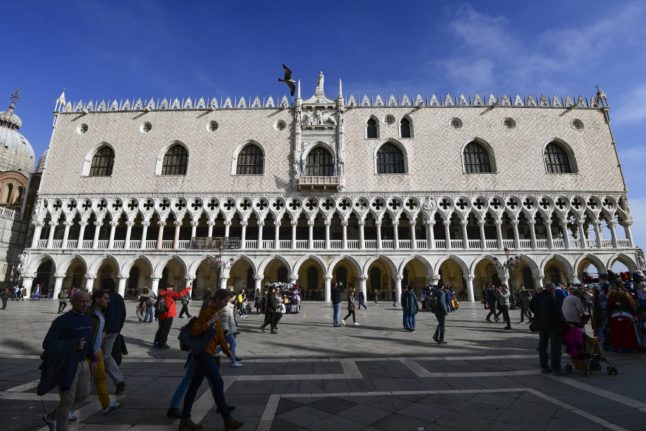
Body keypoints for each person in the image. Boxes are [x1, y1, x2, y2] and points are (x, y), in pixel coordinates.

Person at [179, 289, 243, 431]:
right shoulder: (207, 311)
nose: (226, 303)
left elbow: (219, 334)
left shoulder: (216, 312)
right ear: (218, 299)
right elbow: (196, 330)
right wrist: (210, 322)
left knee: (194, 386)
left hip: (208, 353)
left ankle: (185, 420)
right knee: (217, 383)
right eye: (225, 301)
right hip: (204, 354)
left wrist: (227, 352)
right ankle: (227, 420)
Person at [39, 291, 97, 431]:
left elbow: (88, 341)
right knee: (67, 400)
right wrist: (73, 344)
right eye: (81, 301)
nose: (85, 304)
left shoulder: (87, 319)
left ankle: (51, 416)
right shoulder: (62, 321)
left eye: (87, 301)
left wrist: (93, 359)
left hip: (83, 362)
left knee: (83, 394)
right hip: (67, 364)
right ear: (72, 302)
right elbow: (47, 343)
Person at [88, 289, 121, 414]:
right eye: (106, 298)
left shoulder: (102, 313)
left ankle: (106, 403)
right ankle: (63, 411)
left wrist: (104, 333)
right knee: (83, 385)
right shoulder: (89, 313)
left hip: (98, 351)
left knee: (101, 377)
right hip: (89, 353)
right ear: (97, 299)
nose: (108, 301)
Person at [530, 283, 564, 376]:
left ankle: (544, 367)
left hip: (541, 325)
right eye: (553, 289)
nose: (554, 291)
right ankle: (556, 368)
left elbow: (532, 307)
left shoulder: (537, 296)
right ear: (550, 289)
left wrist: (539, 315)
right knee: (555, 347)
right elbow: (556, 311)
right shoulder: (551, 297)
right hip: (552, 325)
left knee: (542, 346)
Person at [101, 279, 127, 395]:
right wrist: (118, 328)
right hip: (114, 330)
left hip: (102, 330)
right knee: (106, 355)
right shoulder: (119, 297)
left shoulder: (103, 297)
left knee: (96, 354)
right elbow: (123, 314)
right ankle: (118, 380)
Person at [154, 284, 192, 349]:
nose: (172, 289)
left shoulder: (161, 293)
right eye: (171, 287)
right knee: (165, 330)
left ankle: (156, 341)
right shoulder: (169, 293)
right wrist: (188, 288)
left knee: (160, 328)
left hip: (161, 313)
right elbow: (179, 294)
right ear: (168, 288)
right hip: (168, 314)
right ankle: (161, 344)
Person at [223, 292, 243, 367]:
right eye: (234, 297)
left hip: (230, 329)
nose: (235, 299)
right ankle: (233, 361)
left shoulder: (229, 306)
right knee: (232, 344)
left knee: (225, 344)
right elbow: (225, 320)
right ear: (229, 298)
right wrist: (226, 330)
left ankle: (233, 358)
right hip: (228, 330)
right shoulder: (226, 307)